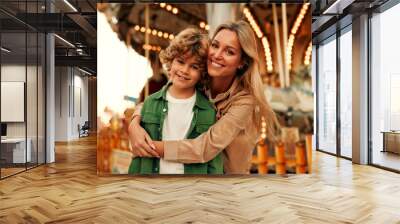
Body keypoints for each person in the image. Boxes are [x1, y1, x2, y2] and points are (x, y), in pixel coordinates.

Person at [129, 20, 279, 174]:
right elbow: (161, 98)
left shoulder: (244, 101)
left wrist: (149, 147)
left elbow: (204, 148)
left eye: (229, 52)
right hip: (196, 174)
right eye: (215, 45)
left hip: (228, 180)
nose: (217, 55)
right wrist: (134, 124)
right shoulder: (199, 83)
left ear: (242, 62)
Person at [128, 28, 223, 174]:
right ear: (171, 62)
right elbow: (137, 157)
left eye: (194, 66)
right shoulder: (150, 103)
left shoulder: (209, 111)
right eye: (180, 61)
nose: (185, 70)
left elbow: (214, 162)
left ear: (202, 73)